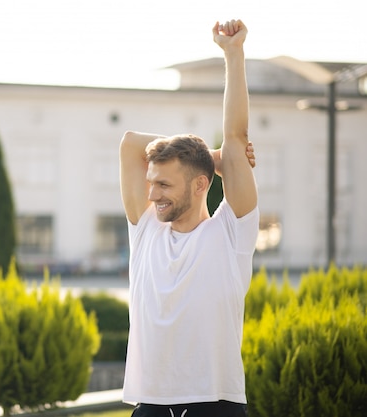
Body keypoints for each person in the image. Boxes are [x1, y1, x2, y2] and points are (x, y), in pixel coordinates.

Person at [119, 19, 258, 417]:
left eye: (164, 185)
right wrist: (210, 157)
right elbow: (130, 144)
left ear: (200, 186)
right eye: (152, 182)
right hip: (151, 406)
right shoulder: (145, 230)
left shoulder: (232, 234)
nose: (152, 194)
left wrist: (233, 52)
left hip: (215, 404)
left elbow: (235, 136)